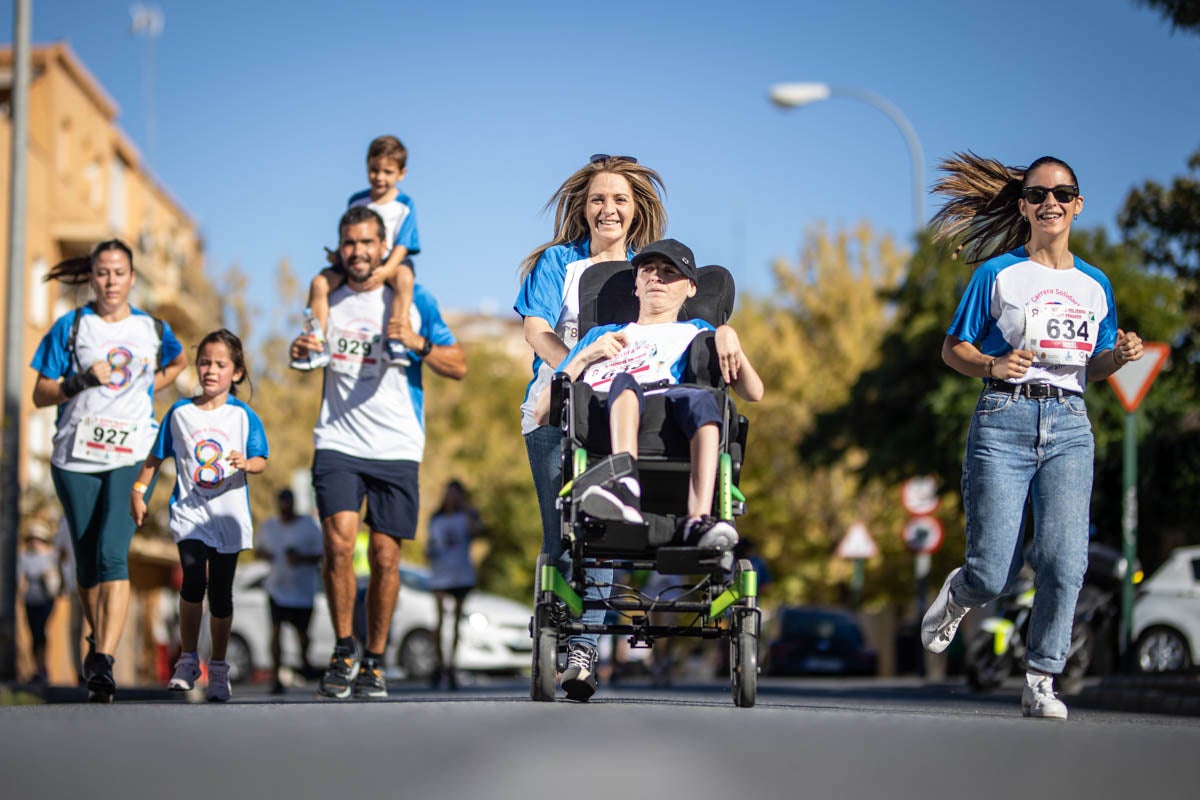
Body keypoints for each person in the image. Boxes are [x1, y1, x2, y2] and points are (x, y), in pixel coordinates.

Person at [922, 153, 1145, 720]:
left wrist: (1116, 358)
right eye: (1039, 194)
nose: (1052, 203)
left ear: (1078, 204)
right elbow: (955, 349)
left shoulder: (1095, 285)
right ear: (1023, 206)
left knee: (1063, 561)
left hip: (1070, 423)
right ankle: (960, 592)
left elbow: (1090, 368)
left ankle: (1041, 679)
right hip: (1004, 418)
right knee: (994, 570)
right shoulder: (997, 274)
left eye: (1063, 193)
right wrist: (992, 367)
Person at [532, 238, 765, 699]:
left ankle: (703, 517)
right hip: (612, 423)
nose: (656, 278)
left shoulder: (699, 333)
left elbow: (753, 393)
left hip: (676, 418)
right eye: (648, 271)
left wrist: (728, 334)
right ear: (635, 284)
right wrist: (579, 359)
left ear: (690, 288)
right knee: (623, 382)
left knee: (704, 399)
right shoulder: (604, 336)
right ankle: (622, 486)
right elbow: (543, 413)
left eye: (669, 273)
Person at [290, 205, 466, 700]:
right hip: (338, 439)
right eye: (350, 243)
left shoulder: (413, 298)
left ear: (383, 247)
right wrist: (301, 349)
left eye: (367, 243)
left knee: (387, 557)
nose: (358, 252)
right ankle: (344, 647)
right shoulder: (328, 294)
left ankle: (375, 658)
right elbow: (302, 350)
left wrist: (416, 342)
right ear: (339, 246)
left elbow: (458, 363)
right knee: (340, 543)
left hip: (397, 443)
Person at [514, 154, 668, 701]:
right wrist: (574, 375)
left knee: (602, 529)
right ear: (583, 207)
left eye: (620, 200)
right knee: (562, 537)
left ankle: (583, 648)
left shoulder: (649, 272)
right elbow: (536, 331)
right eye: (599, 198)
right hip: (553, 413)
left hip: (618, 416)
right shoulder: (559, 262)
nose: (609, 208)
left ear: (635, 210)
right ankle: (558, 621)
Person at [30, 239, 187, 702]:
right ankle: (98, 642)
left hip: (131, 450)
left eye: (120, 272)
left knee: (112, 552)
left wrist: (144, 391)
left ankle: (103, 659)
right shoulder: (73, 326)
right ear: (92, 277)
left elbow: (177, 362)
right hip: (75, 456)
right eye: (102, 273)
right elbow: (40, 393)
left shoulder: (152, 329)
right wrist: (83, 380)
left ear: (133, 278)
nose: (111, 281)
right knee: (85, 562)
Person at [131, 329, 269, 702]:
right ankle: (188, 659)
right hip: (190, 513)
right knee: (193, 581)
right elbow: (155, 457)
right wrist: (139, 491)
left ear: (236, 373)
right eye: (205, 362)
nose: (210, 370)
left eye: (220, 364)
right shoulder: (180, 413)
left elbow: (261, 459)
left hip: (227, 517)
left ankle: (219, 667)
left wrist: (247, 463)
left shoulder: (243, 416)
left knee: (221, 594)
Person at [296, 135, 421, 368]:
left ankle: (396, 338)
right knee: (319, 284)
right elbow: (349, 232)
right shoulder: (356, 200)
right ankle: (315, 342)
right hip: (354, 264)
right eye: (374, 170)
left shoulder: (405, 204)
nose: (380, 177)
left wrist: (386, 271)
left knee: (405, 278)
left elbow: (403, 243)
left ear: (401, 173)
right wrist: (338, 256)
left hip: (391, 262)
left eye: (387, 172)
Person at [256, 489, 324, 694]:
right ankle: (276, 675)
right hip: (277, 588)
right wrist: (265, 555)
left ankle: (304, 662)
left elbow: (321, 555)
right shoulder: (269, 527)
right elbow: (258, 551)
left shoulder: (308, 527)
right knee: (275, 630)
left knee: (303, 634)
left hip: (302, 592)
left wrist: (301, 558)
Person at [425, 479, 482, 689]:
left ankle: (452, 665)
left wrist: (465, 508)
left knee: (457, 622)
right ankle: (438, 665)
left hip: (461, 574)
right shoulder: (436, 517)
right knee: (439, 621)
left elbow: (477, 532)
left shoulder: (467, 515)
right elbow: (429, 544)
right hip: (440, 573)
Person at [18, 520, 61, 684]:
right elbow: (20, 580)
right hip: (30, 600)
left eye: (38, 538)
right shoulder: (24, 557)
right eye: (32, 538)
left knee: (41, 632)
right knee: (34, 634)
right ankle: (37, 667)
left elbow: (56, 578)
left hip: (46, 600)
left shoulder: (50, 557)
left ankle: (43, 667)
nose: (35, 542)